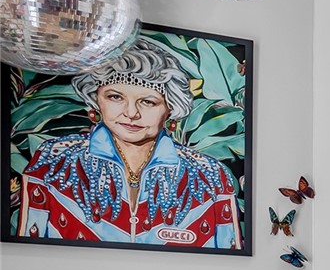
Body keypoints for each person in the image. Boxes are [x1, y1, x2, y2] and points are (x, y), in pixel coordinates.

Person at [15, 40, 239, 249]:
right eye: (115, 97)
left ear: (170, 108)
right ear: (96, 99)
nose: (131, 113)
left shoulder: (208, 176)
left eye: (147, 102)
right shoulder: (55, 162)